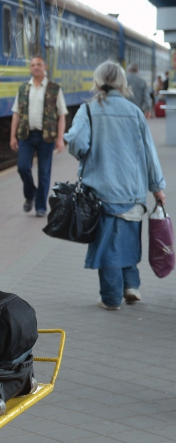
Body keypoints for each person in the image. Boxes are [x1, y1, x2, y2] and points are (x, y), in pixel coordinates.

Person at [64, 61, 166, 310]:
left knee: (108, 245)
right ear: (123, 83)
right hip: (132, 192)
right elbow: (150, 155)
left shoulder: (88, 111)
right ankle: (131, 285)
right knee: (129, 239)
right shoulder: (135, 112)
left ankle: (110, 297)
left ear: (98, 82)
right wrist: (157, 187)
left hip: (101, 192)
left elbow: (77, 142)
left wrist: (83, 151)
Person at [10, 56, 68, 217]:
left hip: (46, 137)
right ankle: (31, 195)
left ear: (45, 67)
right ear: (30, 68)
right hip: (26, 136)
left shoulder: (54, 88)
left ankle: (41, 206)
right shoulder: (23, 89)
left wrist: (60, 138)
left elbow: (61, 115)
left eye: (38, 65)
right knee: (22, 167)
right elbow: (16, 113)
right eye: (33, 65)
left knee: (44, 172)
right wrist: (12, 136)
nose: (35, 67)